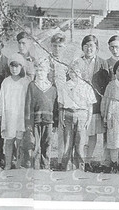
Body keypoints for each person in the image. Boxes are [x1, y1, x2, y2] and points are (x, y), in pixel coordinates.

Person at [71, 35, 109, 172]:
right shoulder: (76, 62)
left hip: (95, 104)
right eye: (86, 45)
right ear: (82, 47)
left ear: (97, 48)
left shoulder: (102, 63)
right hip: (79, 104)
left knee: (92, 134)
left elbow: (106, 84)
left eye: (92, 46)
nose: (89, 48)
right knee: (80, 134)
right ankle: (78, 160)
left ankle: (87, 160)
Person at [58, 63, 96, 171]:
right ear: (68, 73)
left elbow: (90, 106)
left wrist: (88, 120)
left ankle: (80, 168)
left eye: (77, 72)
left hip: (82, 115)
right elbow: (61, 103)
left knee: (80, 144)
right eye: (71, 71)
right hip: (68, 114)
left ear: (81, 73)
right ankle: (66, 167)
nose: (74, 74)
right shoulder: (65, 86)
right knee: (68, 143)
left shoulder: (86, 86)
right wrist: (61, 117)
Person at [0, 53, 32, 170]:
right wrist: (0, 115)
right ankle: (8, 163)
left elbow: (29, 100)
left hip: (21, 115)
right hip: (9, 115)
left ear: (21, 67)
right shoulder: (6, 82)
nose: (14, 69)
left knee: (20, 141)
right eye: (12, 66)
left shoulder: (26, 82)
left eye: (17, 66)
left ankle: (18, 164)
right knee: (9, 140)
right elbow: (1, 100)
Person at [24, 56, 59, 169]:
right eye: (37, 70)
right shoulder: (32, 86)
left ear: (47, 71)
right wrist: (28, 123)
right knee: (35, 145)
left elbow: (55, 107)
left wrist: (56, 123)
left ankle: (45, 166)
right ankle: (34, 166)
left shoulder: (52, 88)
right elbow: (28, 105)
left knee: (47, 144)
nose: (39, 73)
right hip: (35, 121)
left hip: (48, 121)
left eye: (42, 70)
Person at [48, 32, 68, 168]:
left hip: (62, 99)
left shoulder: (67, 62)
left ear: (64, 46)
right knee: (49, 130)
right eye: (54, 46)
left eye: (60, 46)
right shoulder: (46, 60)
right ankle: (47, 159)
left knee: (62, 130)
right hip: (49, 99)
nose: (57, 49)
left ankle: (61, 160)